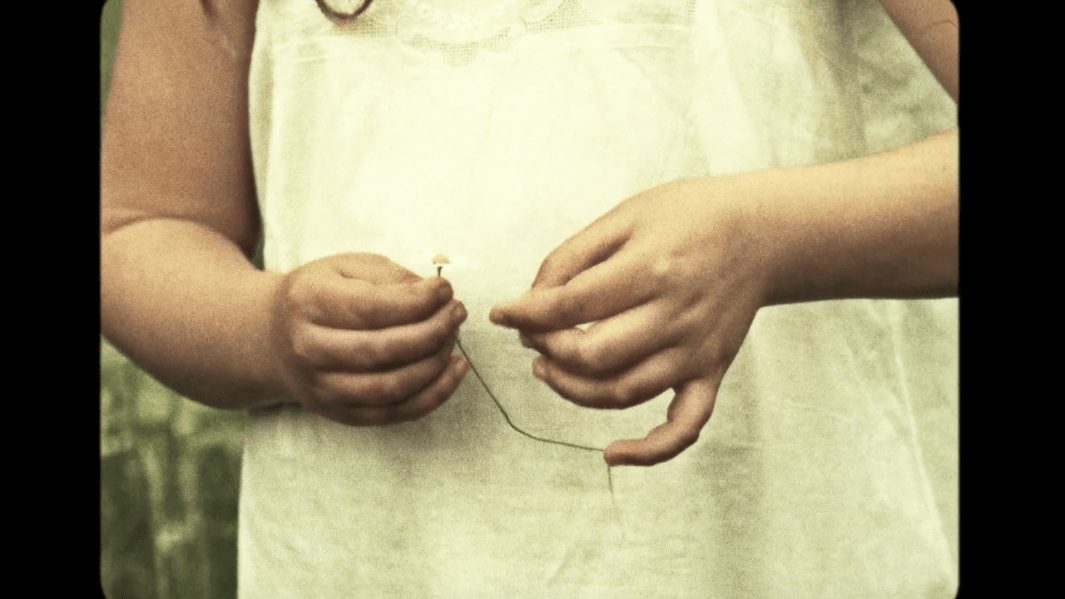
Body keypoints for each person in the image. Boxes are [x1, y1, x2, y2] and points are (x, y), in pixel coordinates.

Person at [101, 0, 958, 596]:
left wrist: (768, 242)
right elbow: (139, 226)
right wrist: (266, 334)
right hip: (367, 567)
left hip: (778, 561)